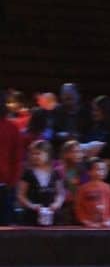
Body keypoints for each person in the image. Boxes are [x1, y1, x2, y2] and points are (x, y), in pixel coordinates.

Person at [16, 139, 65, 226]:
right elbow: (20, 195)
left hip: (52, 217)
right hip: (31, 218)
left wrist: (57, 204)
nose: (35, 156)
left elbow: (60, 193)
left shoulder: (55, 173)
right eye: (32, 154)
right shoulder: (28, 173)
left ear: (47, 154)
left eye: (38, 153)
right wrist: (32, 206)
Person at [75, 158, 110, 228]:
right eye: (98, 169)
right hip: (89, 225)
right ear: (89, 172)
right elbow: (79, 208)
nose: (102, 172)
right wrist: (86, 221)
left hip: (105, 225)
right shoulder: (83, 189)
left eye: (103, 170)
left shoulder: (109, 188)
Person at [0, 92, 22, 225]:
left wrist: (12, 183)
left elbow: (17, 158)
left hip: (5, 186)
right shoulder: (12, 128)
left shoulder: (12, 128)